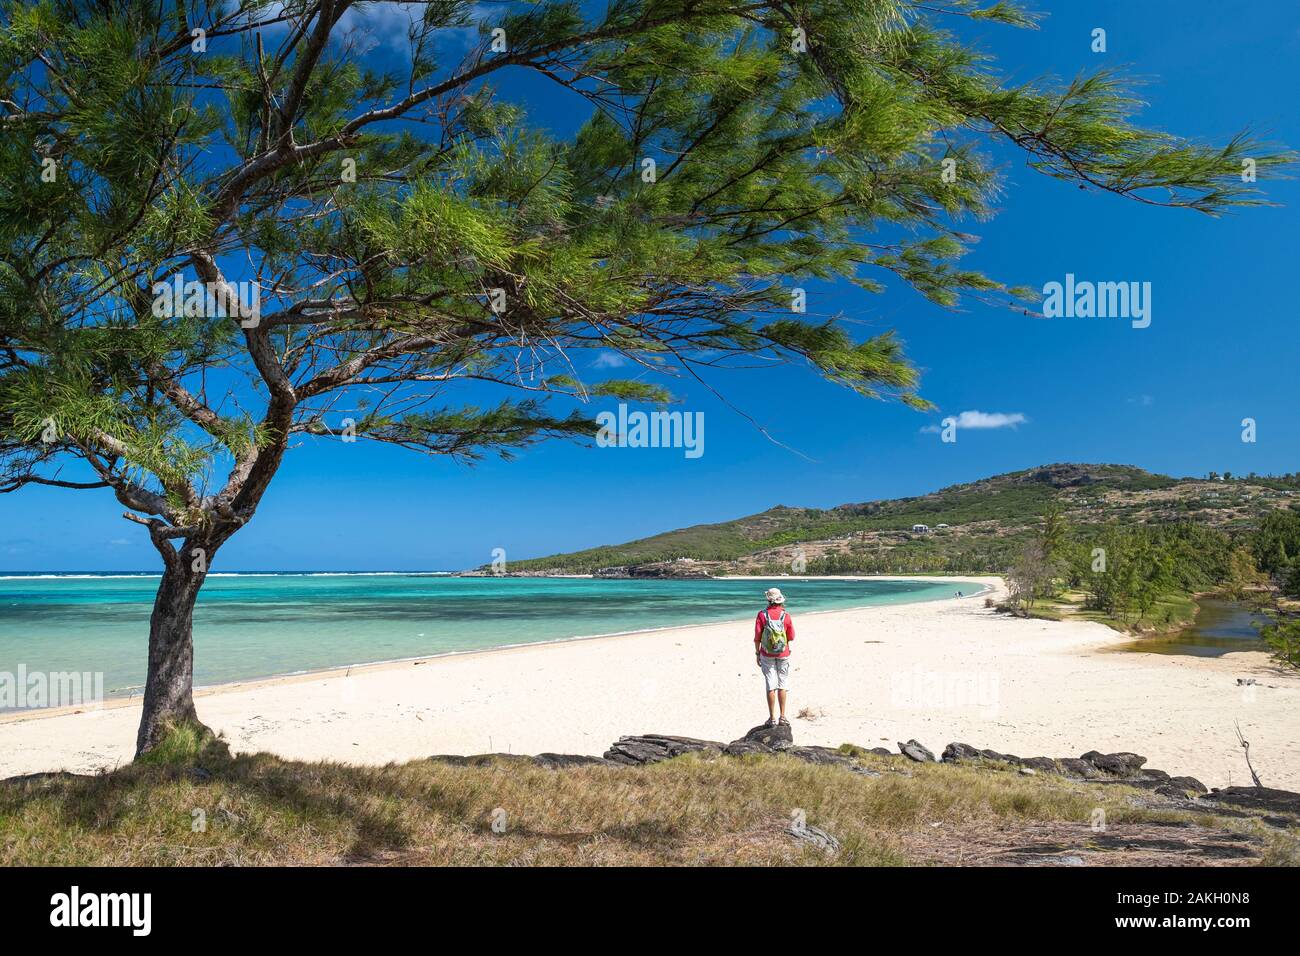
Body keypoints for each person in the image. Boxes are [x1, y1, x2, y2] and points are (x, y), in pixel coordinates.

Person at [754, 587, 795, 727]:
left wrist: (757, 653)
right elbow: (791, 636)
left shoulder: (762, 615)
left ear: (768, 600)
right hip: (783, 653)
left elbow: (757, 637)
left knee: (770, 685)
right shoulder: (786, 615)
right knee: (782, 684)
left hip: (766, 653)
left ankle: (772, 718)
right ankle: (782, 717)